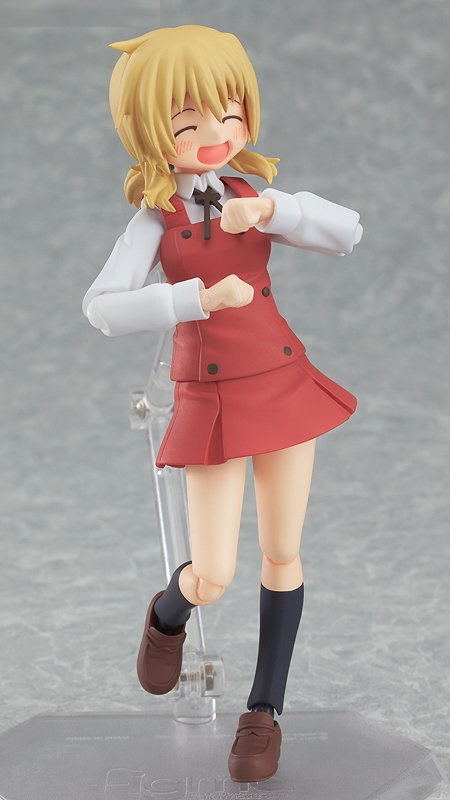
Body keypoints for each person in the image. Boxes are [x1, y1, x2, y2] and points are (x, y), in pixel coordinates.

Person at [82, 24, 363, 782]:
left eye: (230, 112)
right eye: (188, 121)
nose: (216, 132)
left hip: (282, 381)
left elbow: (347, 233)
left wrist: (277, 212)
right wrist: (191, 300)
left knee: (283, 553)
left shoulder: (252, 196)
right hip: (208, 396)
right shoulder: (155, 218)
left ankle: (263, 712)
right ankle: (168, 613)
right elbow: (101, 307)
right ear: (149, 129)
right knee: (213, 573)